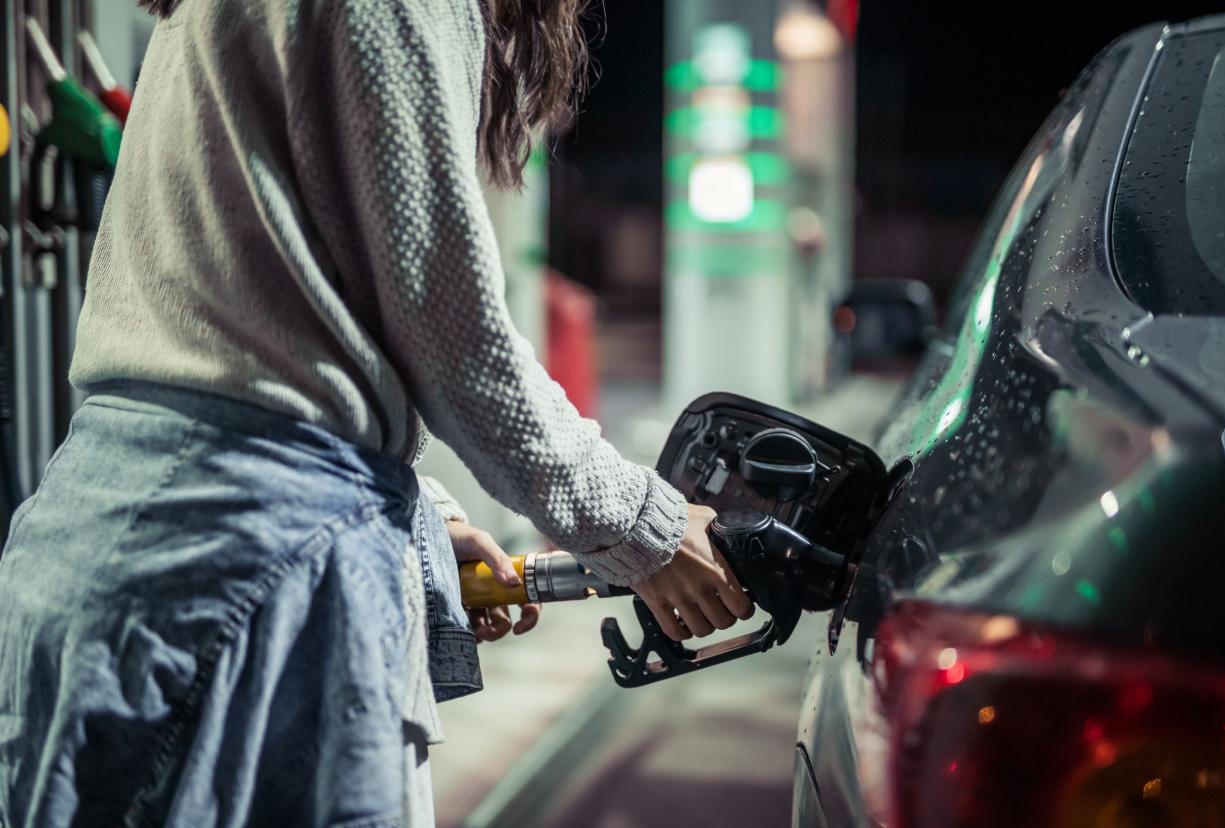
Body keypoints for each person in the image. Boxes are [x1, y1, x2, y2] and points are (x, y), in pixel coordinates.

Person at [0, 0, 754, 825]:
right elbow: (451, 328)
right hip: (248, 570)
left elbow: (245, 318)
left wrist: (410, 516)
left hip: (101, 544)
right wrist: (644, 527)